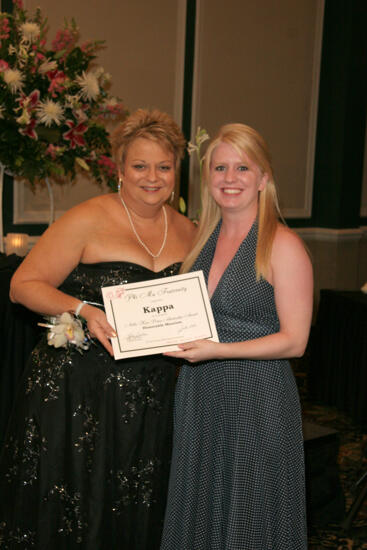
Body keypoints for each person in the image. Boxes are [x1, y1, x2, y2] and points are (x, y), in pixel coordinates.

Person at [0, 108, 196, 549]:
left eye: (163, 167)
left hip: (152, 395)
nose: (152, 177)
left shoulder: (190, 232)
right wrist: (84, 309)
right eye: (140, 166)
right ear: (120, 168)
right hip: (79, 389)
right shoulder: (88, 217)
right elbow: (22, 286)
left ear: (176, 172)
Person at [160, 123, 313, 550]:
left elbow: (295, 340)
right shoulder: (200, 242)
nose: (230, 179)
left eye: (243, 168)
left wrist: (217, 350)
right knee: (202, 505)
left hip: (257, 398)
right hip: (199, 393)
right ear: (207, 178)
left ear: (264, 178)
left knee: (250, 512)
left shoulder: (282, 245)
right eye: (220, 168)